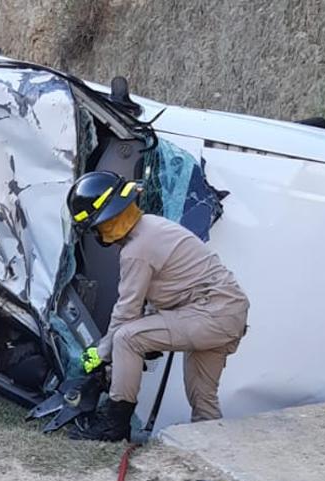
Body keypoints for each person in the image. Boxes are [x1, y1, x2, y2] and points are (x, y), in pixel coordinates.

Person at [66, 171, 249, 441]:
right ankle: (213, 454)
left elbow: (126, 313)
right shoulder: (151, 225)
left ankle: (114, 426)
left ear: (102, 221)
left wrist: (97, 354)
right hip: (228, 313)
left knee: (127, 339)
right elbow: (169, 291)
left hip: (209, 313)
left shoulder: (136, 250)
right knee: (203, 400)